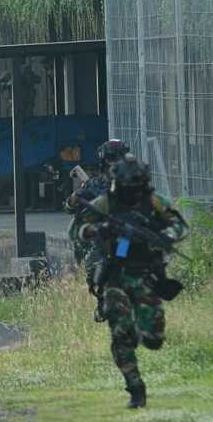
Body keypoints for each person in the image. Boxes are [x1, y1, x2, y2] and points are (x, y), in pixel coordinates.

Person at [76, 153, 188, 408]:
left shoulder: (153, 202)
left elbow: (181, 226)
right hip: (115, 276)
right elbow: (79, 230)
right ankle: (136, 388)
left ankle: (142, 331)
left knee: (154, 338)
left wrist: (164, 236)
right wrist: (100, 230)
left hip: (146, 275)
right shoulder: (105, 203)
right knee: (120, 334)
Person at [65, 139, 130, 322]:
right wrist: (75, 198)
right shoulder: (96, 184)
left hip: (125, 239)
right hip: (103, 240)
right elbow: (70, 207)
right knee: (94, 271)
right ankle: (104, 304)